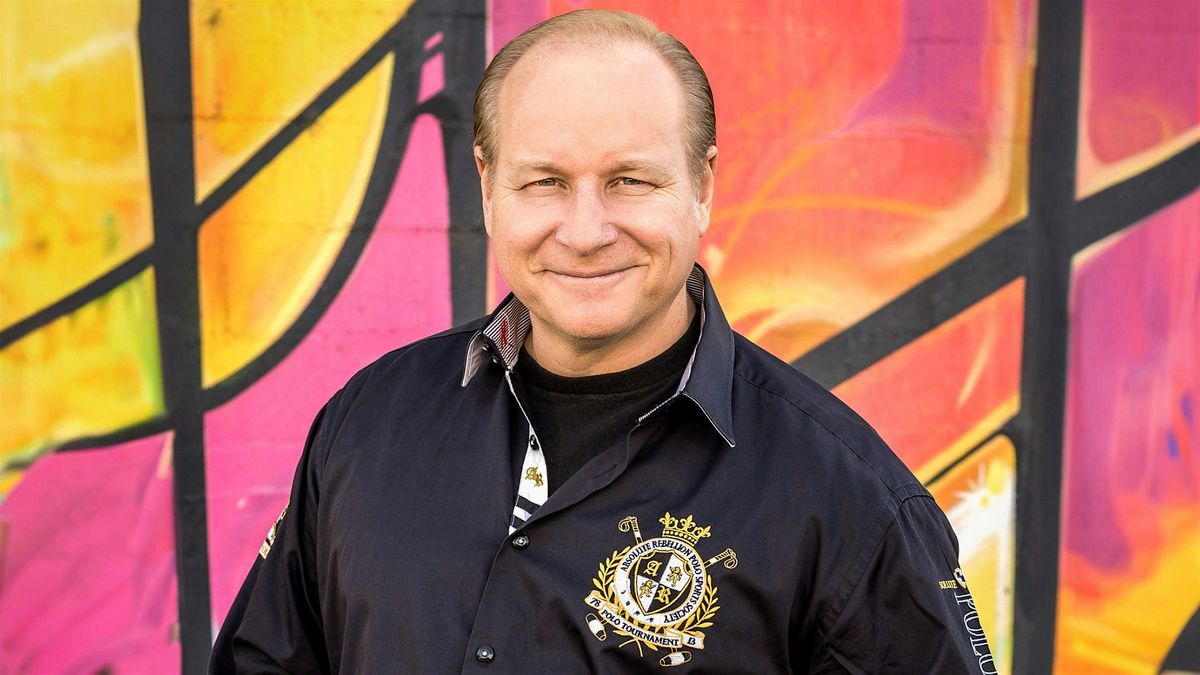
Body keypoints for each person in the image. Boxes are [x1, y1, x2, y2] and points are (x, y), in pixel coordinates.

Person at [211, 9, 994, 674]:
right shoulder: (367, 425)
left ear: (702, 187)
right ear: (488, 186)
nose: (585, 231)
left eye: (630, 181)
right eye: (545, 182)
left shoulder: (849, 500)